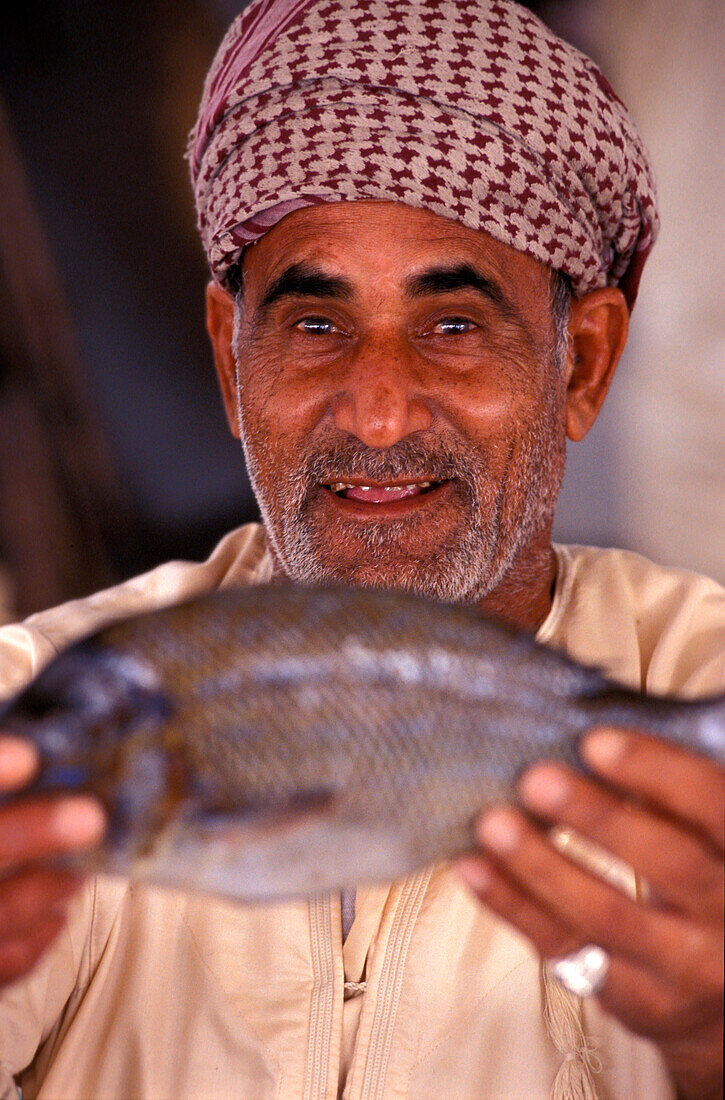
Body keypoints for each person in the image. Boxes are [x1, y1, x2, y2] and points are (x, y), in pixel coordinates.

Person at [0, 1, 722, 1097]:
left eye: (452, 323)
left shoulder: (700, 698)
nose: (378, 412)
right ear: (228, 356)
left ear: (580, 362)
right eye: (314, 323)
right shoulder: (47, 704)